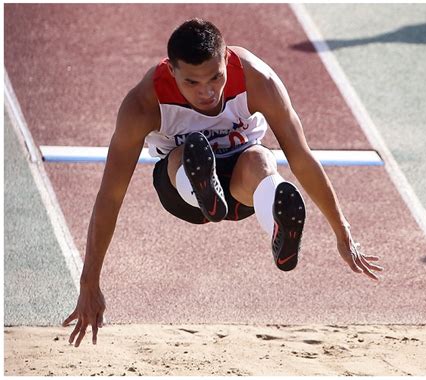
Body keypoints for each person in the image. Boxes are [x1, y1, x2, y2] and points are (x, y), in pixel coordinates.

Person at [63, 18, 383, 347]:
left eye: (216, 77)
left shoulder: (257, 79)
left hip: (241, 181)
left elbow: (300, 155)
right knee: (187, 152)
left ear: (227, 58)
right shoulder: (143, 104)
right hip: (180, 190)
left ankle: (278, 229)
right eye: (192, 82)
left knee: (260, 160)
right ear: (171, 70)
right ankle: (202, 187)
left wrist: (341, 230)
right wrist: (90, 281)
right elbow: (111, 195)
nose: (208, 92)